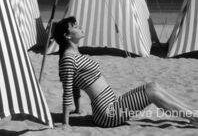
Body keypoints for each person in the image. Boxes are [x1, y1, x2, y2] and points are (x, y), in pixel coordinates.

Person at [53, 16, 198, 128]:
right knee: (152, 93)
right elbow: (67, 90)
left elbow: (75, 87)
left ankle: (193, 113)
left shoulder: (75, 55)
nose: (80, 28)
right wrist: (66, 123)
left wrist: (78, 110)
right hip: (107, 113)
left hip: (112, 104)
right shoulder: (68, 59)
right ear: (67, 35)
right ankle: (193, 118)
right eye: (76, 27)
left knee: (153, 86)